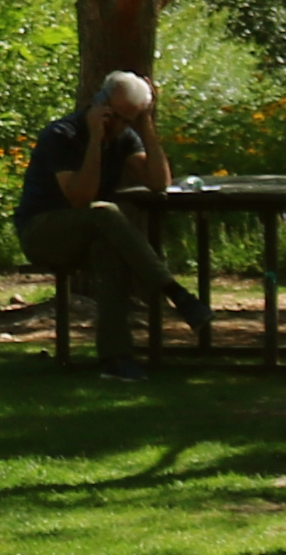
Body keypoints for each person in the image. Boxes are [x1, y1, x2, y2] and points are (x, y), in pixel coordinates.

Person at [15, 69, 190, 366]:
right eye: (116, 116)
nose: (119, 126)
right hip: (42, 231)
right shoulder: (62, 135)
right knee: (105, 212)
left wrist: (145, 124)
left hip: (87, 234)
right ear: (100, 103)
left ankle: (116, 358)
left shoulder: (124, 137)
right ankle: (172, 290)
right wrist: (96, 139)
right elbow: (80, 199)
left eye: (128, 120)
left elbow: (159, 182)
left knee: (110, 251)